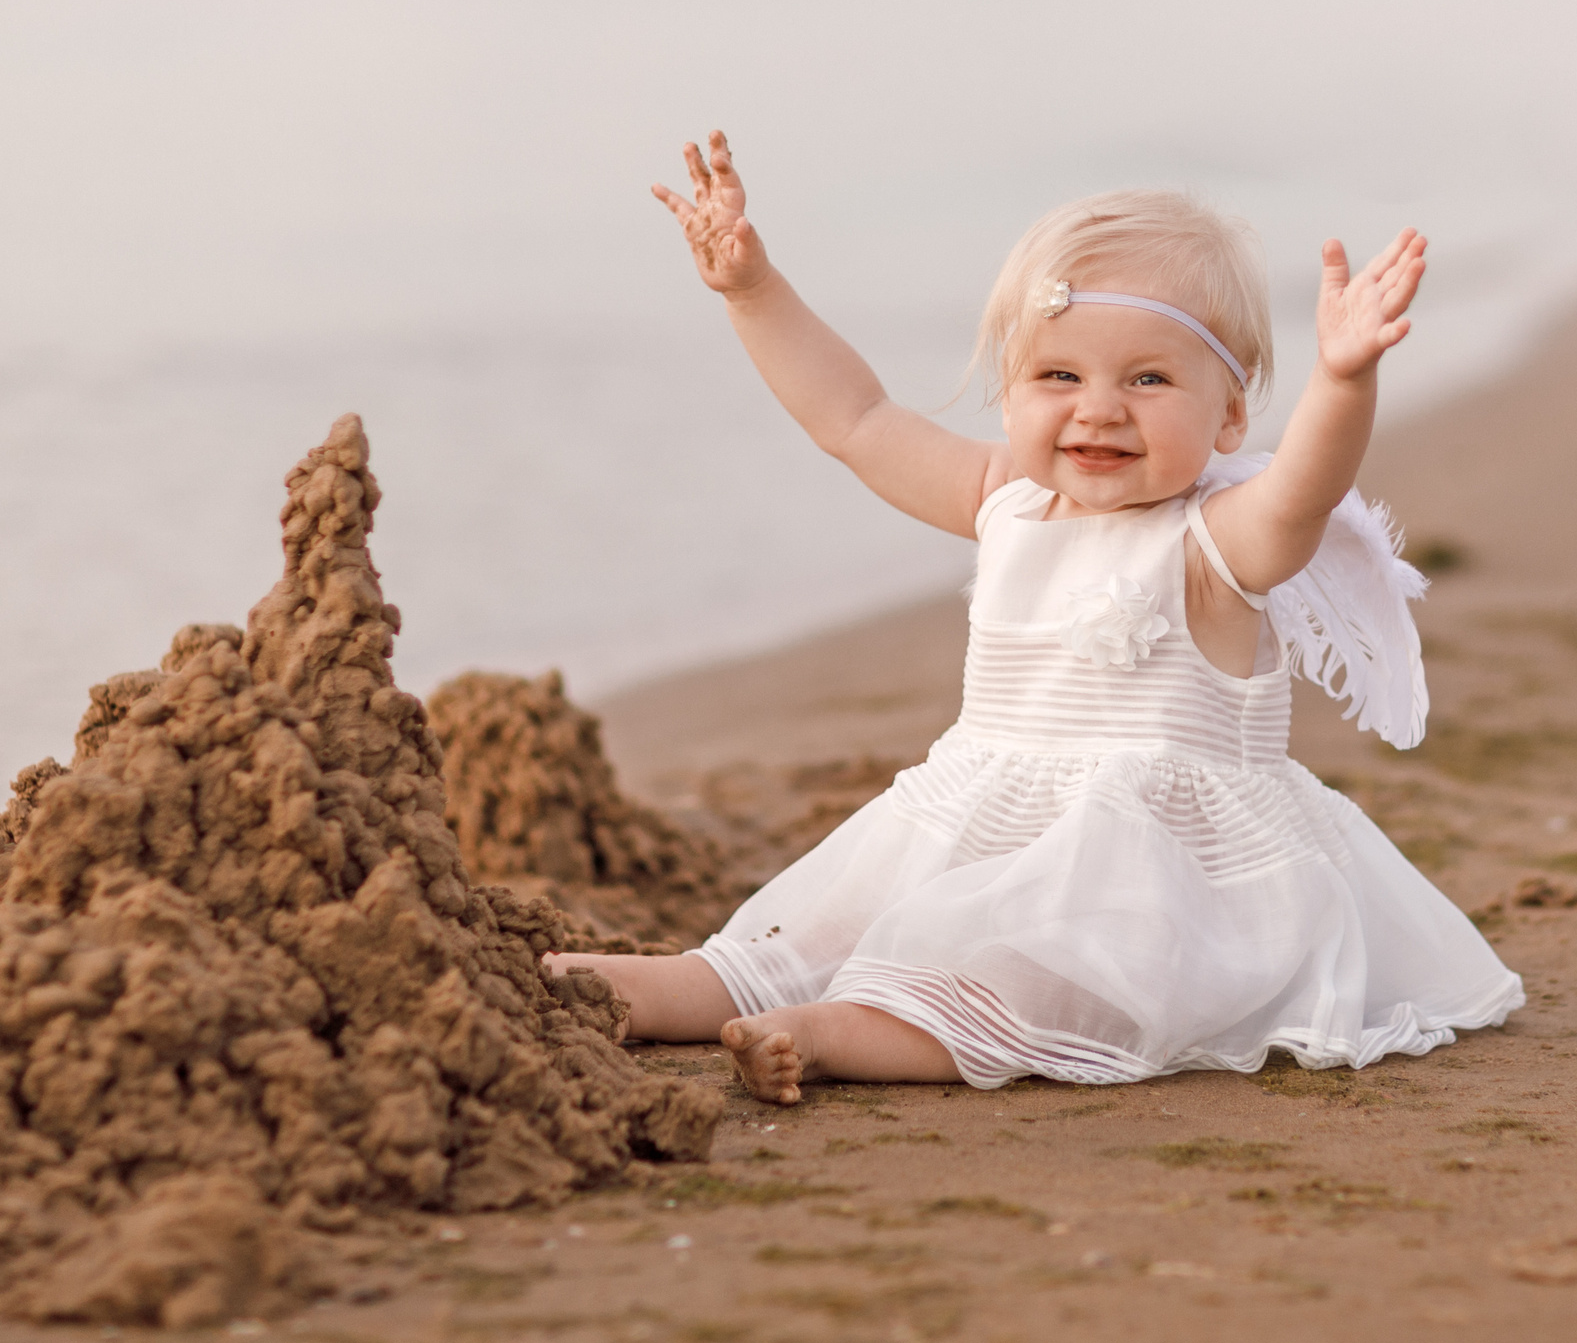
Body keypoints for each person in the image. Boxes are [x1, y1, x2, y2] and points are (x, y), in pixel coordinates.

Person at [546, 132, 1523, 1106]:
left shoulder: (1217, 542)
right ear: (1010, 393)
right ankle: (608, 987)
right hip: (970, 824)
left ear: (1229, 417)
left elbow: (1303, 494)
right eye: (1058, 377)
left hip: (1148, 881)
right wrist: (751, 290)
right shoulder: (1002, 499)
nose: (1098, 409)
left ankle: (831, 1036)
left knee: (1023, 986)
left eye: (1148, 379)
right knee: (794, 943)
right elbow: (852, 418)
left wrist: (1342, 380)